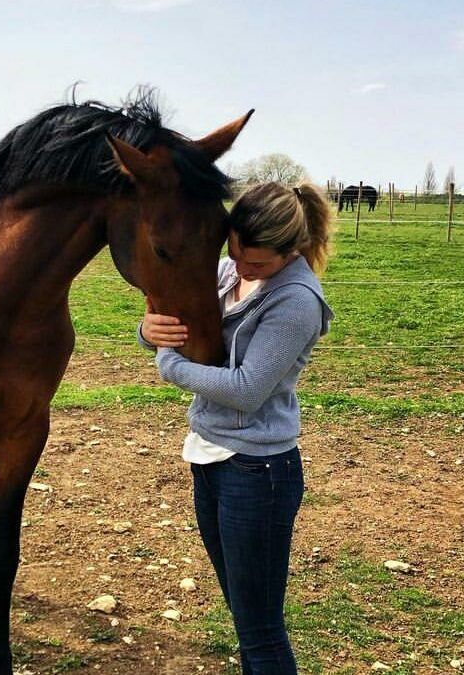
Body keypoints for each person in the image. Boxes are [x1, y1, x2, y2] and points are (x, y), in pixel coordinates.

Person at [138, 182, 334, 675]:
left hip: (258, 471)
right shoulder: (230, 271)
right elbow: (184, 324)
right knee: (246, 618)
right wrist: (148, 331)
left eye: (258, 265)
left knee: (261, 632)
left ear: (292, 250)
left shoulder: (296, 301)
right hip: (210, 458)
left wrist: (168, 363)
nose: (243, 269)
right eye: (236, 256)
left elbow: (248, 389)